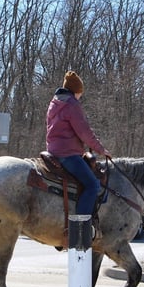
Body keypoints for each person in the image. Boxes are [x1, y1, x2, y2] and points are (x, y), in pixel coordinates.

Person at [46, 70, 111, 223]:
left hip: (53, 151)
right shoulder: (72, 105)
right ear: (76, 91)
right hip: (68, 154)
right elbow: (84, 132)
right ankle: (81, 227)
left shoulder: (54, 103)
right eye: (80, 93)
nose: (80, 96)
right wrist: (102, 150)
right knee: (93, 185)